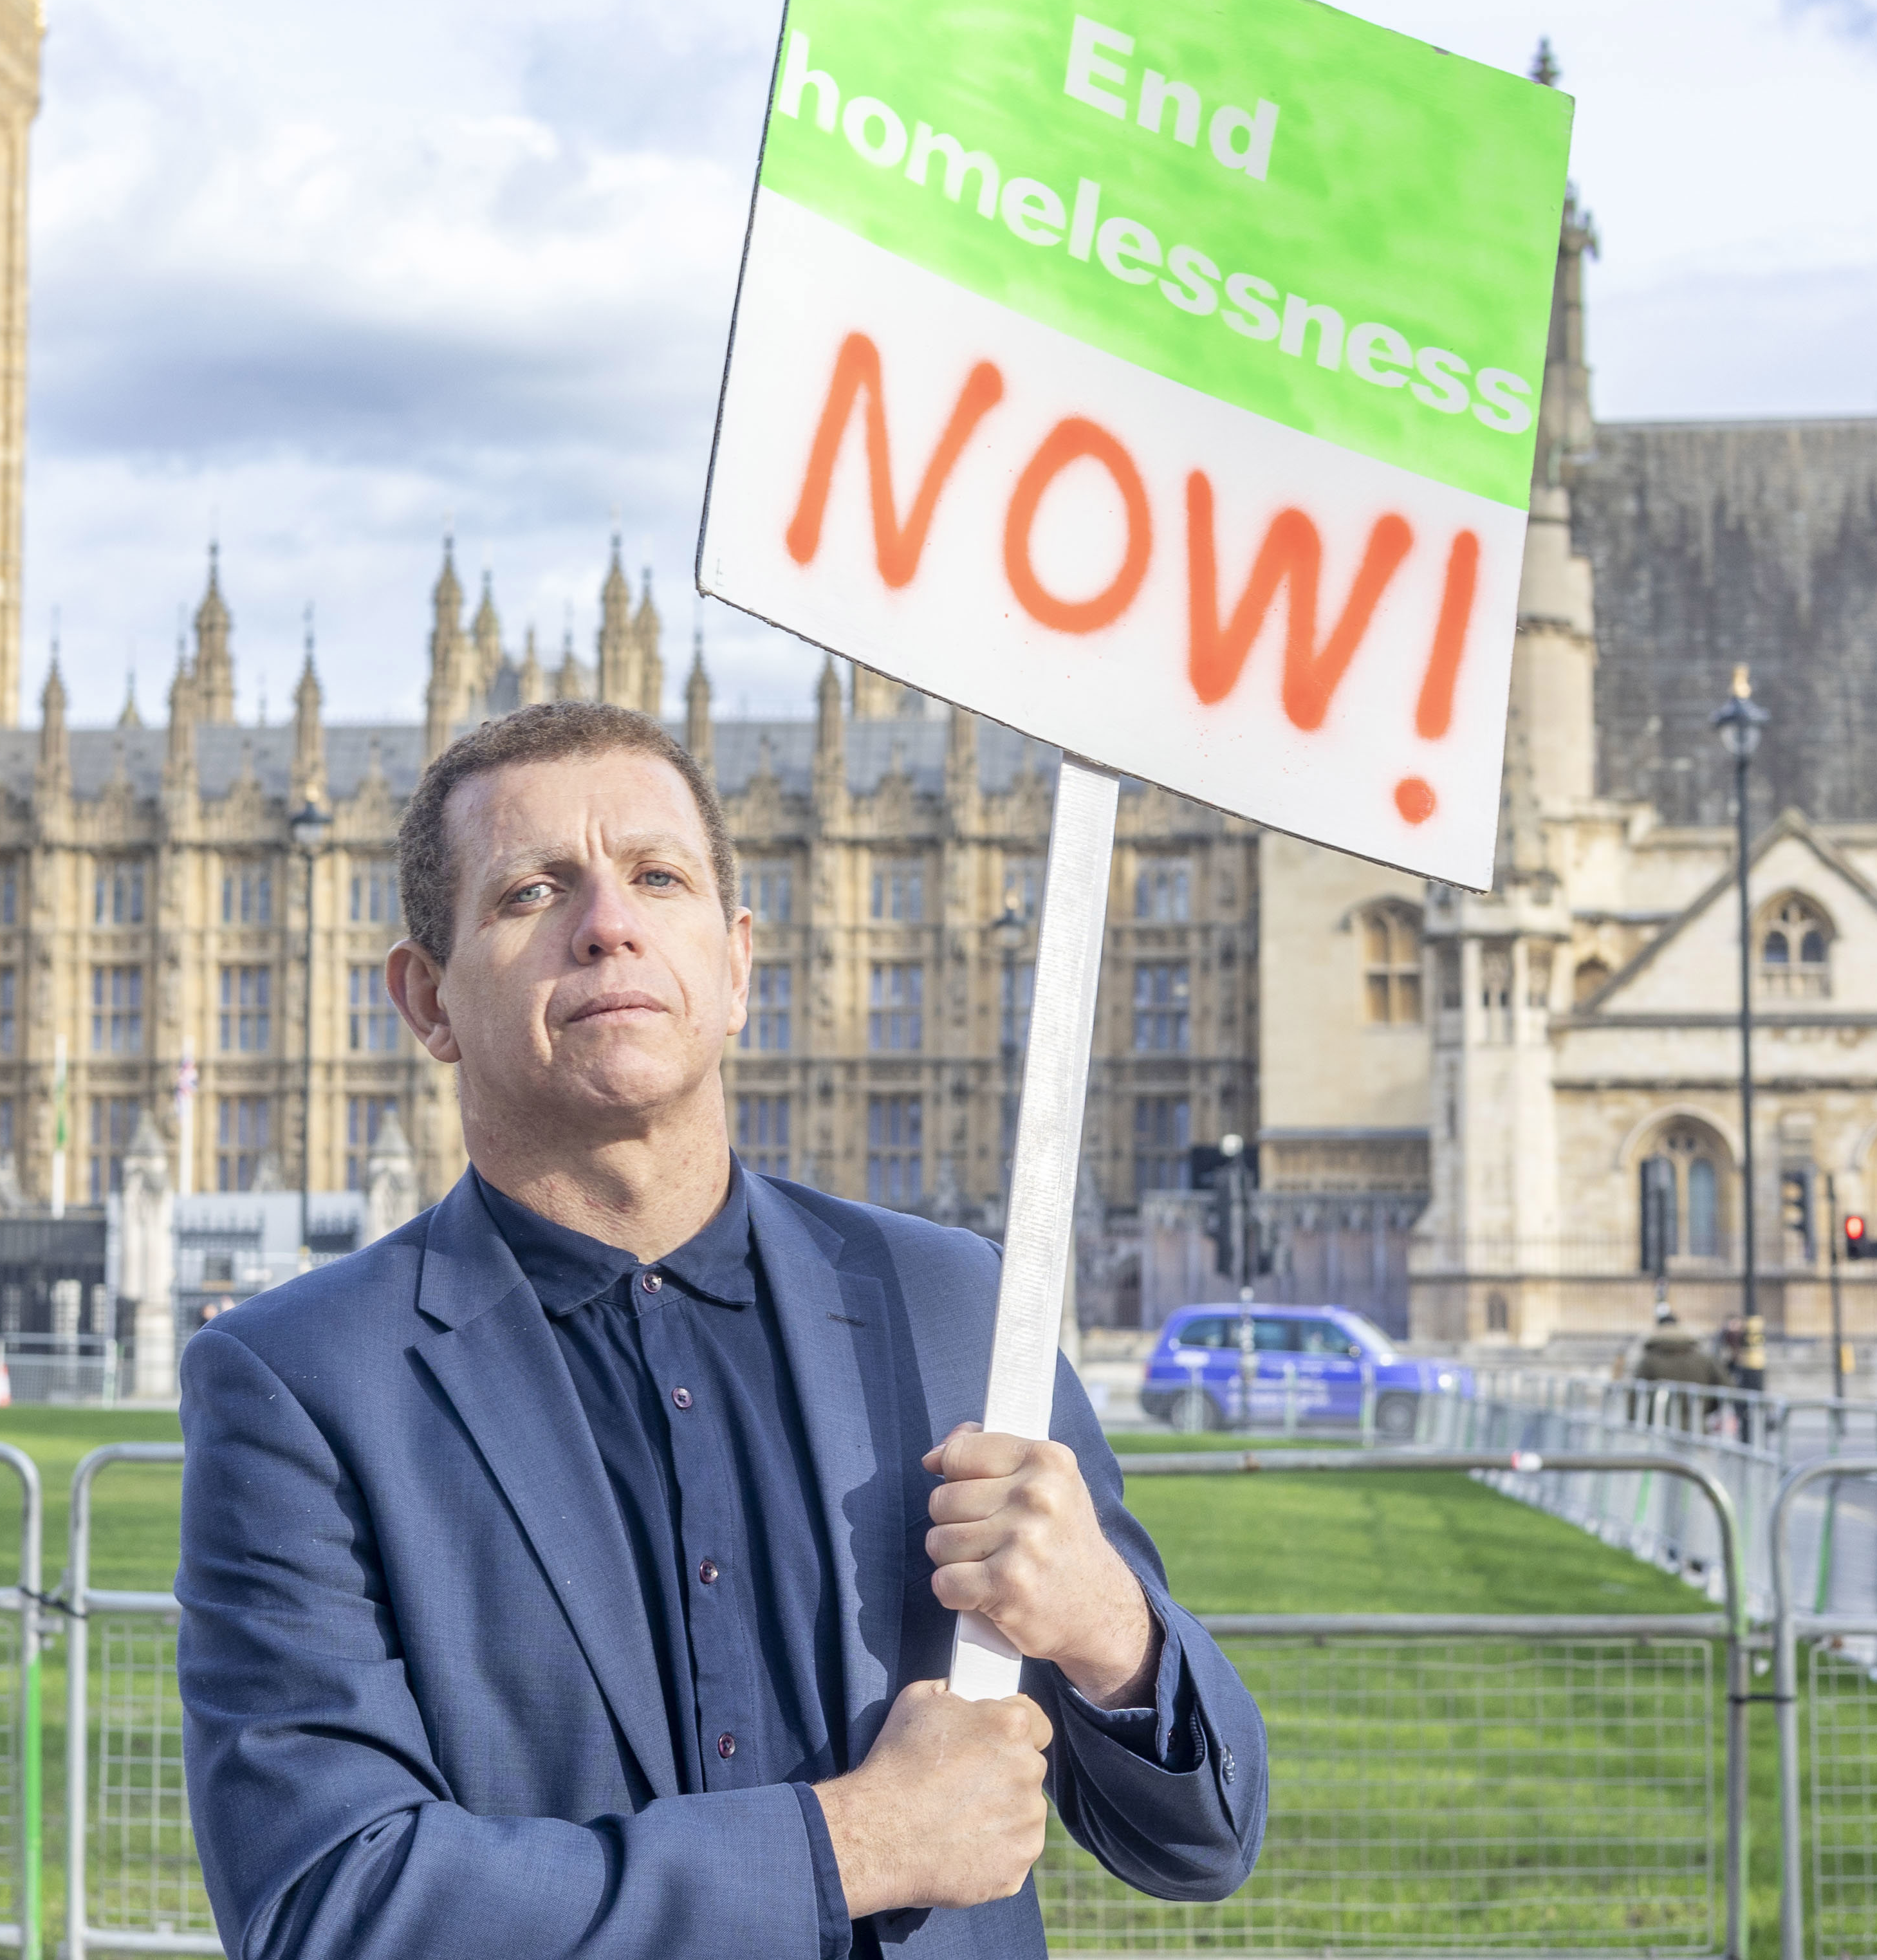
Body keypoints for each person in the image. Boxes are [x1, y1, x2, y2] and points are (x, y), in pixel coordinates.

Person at [175, 704, 1265, 1959]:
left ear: (738, 966)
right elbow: (327, 1907)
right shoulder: (305, 1384)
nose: (608, 922)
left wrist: (1108, 1630)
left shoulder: (958, 1308)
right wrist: (850, 1843)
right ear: (426, 999)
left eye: (656, 875)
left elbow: (1202, 1836)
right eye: (533, 890)